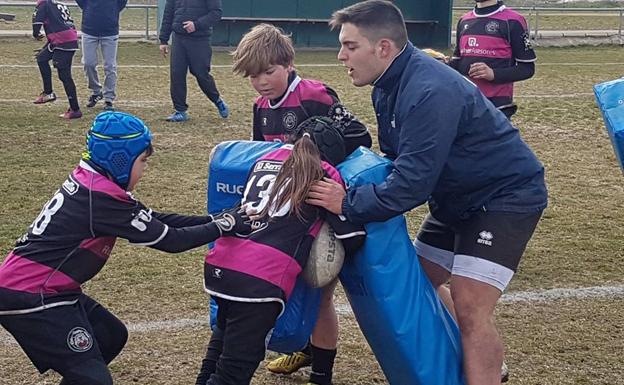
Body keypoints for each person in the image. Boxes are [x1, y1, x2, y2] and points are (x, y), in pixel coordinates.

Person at [306, 2, 547, 385]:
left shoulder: (428, 89)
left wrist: (347, 202)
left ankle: (485, 371)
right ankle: (483, 366)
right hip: (456, 197)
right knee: (417, 281)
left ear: (383, 47)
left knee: (470, 308)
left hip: (503, 197)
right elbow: (396, 161)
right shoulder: (387, 84)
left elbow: (411, 184)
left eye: (350, 46)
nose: (341, 56)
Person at [0, 111, 251, 385]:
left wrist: (218, 220)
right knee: (95, 380)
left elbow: (156, 220)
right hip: (31, 295)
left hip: (44, 289)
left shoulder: (94, 182)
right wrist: (225, 223)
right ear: (120, 159)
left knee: (110, 336)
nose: (144, 169)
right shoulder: (101, 197)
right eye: (142, 161)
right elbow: (172, 240)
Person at [230, 23, 372, 385]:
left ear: (288, 64)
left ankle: (321, 372)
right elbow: (265, 157)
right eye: (253, 75)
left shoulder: (315, 95)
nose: (262, 81)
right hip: (287, 216)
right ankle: (306, 347)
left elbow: (360, 136)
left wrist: (321, 168)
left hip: (322, 210)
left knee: (320, 288)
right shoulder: (260, 107)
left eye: (269, 71)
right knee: (290, 287)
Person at [194, 117, 366, 385]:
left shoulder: (266, 158)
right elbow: (352, 238)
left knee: (221, 343)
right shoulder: (322, 171)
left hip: (222, 263)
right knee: (234, 370)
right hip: (260, 280)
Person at [449, 0, 536, 119]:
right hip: (466, 105)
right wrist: (438, 63)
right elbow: (458, 64)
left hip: (497, 108)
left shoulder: (513, 21)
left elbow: (527, 69)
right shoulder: (464, 20)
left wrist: (493, 74)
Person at [158, 0, 229, 122]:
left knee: (201, 73)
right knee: (177, 73)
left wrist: (196, 25)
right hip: (179, 38)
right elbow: (168, 13)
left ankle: (217, 100)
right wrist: (163, 40)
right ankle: (180, 111)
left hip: (200, 40)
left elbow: (216, 13)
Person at [32, 0, 82, 119]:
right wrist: (45, 47)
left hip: (62, 42)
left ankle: (75, 109)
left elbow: (36, 22)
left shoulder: (43, 4)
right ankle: (48, 93)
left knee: (64, 75)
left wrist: (36, 34)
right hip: (62, 40)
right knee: (42, 59)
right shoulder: (59, 4)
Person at [76, 0, 128, 111]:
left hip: (110, 31)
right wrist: (90, 10)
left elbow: (121, 3)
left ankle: (109, 98)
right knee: (88, 63)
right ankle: (96, 92)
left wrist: (111, 13)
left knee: (110, 66)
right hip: (89, 29)